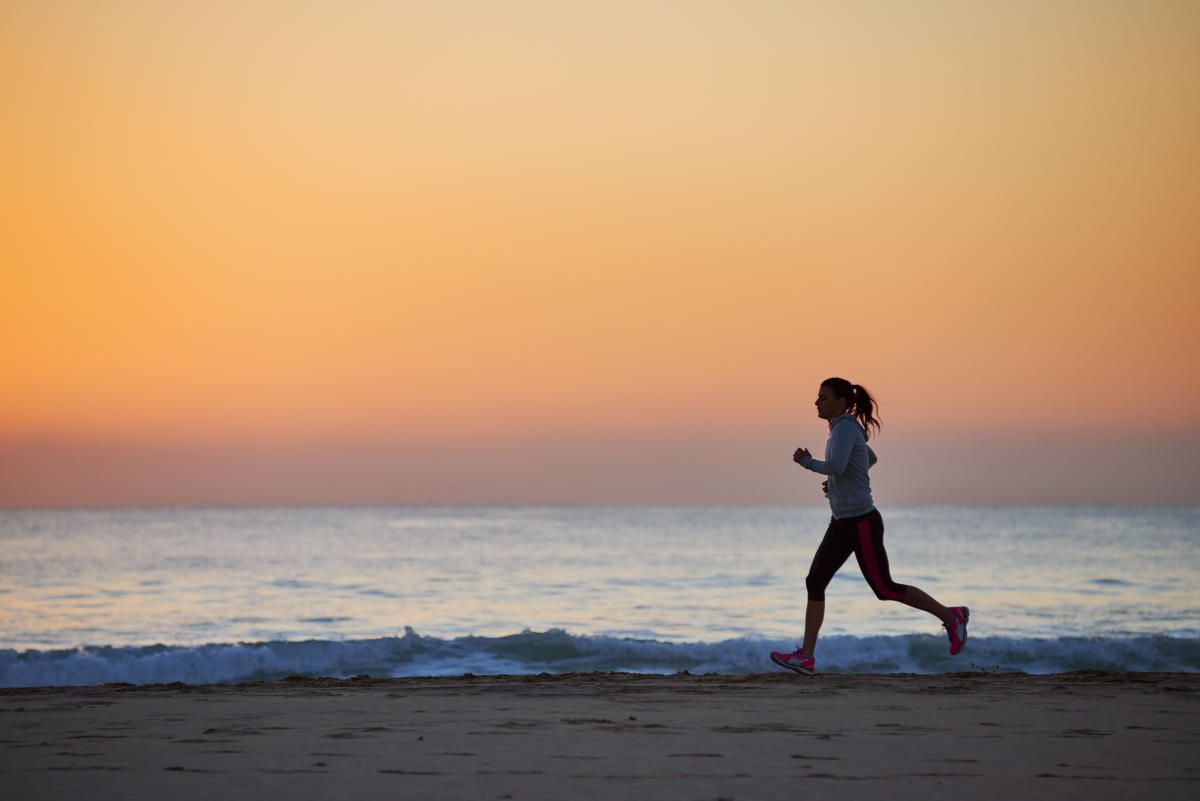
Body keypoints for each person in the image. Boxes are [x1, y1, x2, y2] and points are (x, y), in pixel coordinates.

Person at [770, 377, 968, 675]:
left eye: (823, 397)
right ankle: (806, 656)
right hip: (841, 522)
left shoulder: (846, 427)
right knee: (815, 581)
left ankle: (951, 617)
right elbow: (868, 458)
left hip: (862, 521)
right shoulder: (843, 429)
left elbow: (837, 465)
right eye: (817, 397)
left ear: (840, 401)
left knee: (884, 588)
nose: (817, 402)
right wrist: (837, 481)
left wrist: (809, 462)